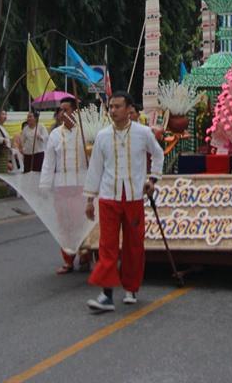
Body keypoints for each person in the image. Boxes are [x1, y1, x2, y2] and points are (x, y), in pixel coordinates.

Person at [83, 91, 164, 312]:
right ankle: (106, 294)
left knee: (133, 245)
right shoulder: (102, 136)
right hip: (109, 197)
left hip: (134, 197)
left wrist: (153, 179)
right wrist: (90, 199)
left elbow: (158, 154)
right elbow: (95, 168)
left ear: (129, 109)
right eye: (111, 107)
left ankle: (131, 288)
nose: (113, 110)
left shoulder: (143, 132)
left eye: (117, 106)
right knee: (107, 246)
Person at [40, 96, 90, 275]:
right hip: (62, 186)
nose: (62, 113)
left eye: (66, 110)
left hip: (82, 185)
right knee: (64, 224)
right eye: (60, 110)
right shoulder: (54, 134)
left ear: (75, 112)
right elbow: (48, 162)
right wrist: (44, 184)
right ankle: (68, 260)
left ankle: (85, 255)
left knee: (83, 222)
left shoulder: (86, 132)